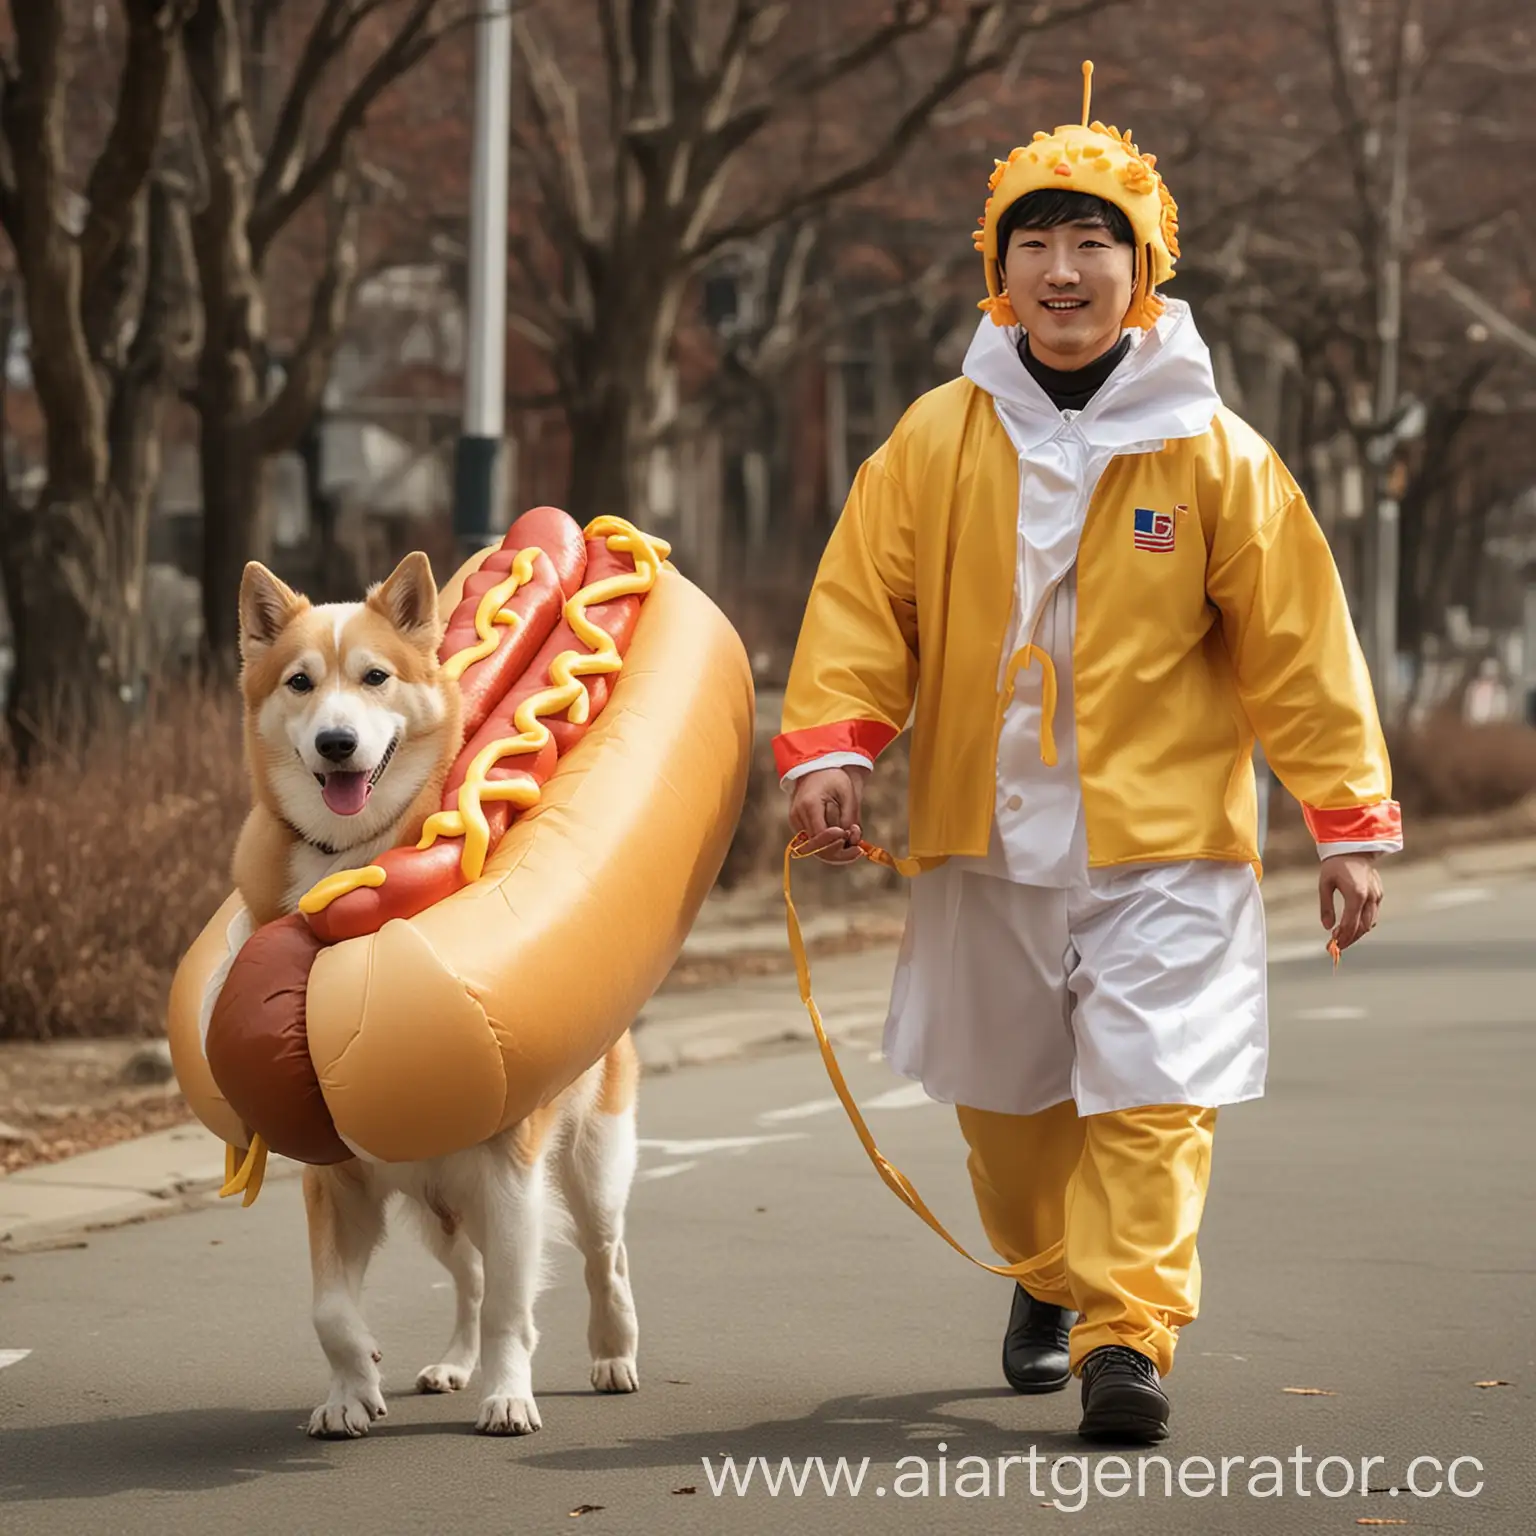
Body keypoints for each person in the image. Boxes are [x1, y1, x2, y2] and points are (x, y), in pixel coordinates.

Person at [773, 63, 1401, 1445]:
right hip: (984, 832)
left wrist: (1347, 822)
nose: (1065, 272)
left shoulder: (1218, 458)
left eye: (1094, 242)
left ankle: (1130, 1333)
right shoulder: (933, 439)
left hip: (1167, 838)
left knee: (1156, 1086)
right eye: (1036, 246)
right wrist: (835, 745)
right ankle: (1048, 1278)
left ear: (1146, 265)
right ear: (999, 274)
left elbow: (1301, 644)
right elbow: (866, 606)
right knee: (1005, 1108)